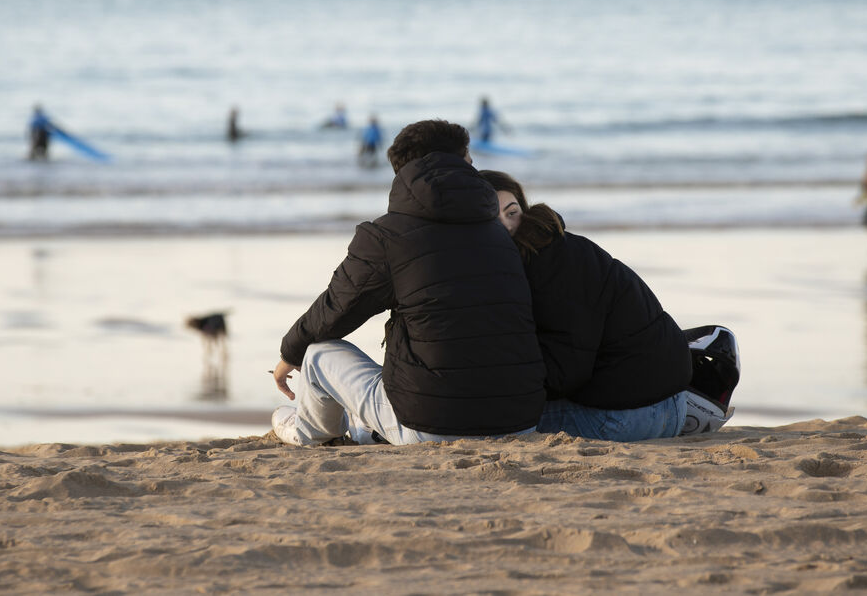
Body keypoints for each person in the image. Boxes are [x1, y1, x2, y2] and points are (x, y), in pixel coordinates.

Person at [270, 120, 546, 446]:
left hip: (432, 426)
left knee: (317, 353)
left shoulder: (388, 236)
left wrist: (290, 353)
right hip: (520, 422)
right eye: (469, 161)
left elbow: (336, 308)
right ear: (461, 161)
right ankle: (371, 429)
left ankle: (310, 432)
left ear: (402, 174)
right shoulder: (499, 234)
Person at [478, 170, 738, 441]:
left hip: (635, 415)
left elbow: (565, 372)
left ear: (526, 211)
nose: (505, 225)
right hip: (667, 402)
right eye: (491, 216)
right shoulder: (556, 246)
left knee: (494, 421)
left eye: (512, 212)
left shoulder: (545, 265)